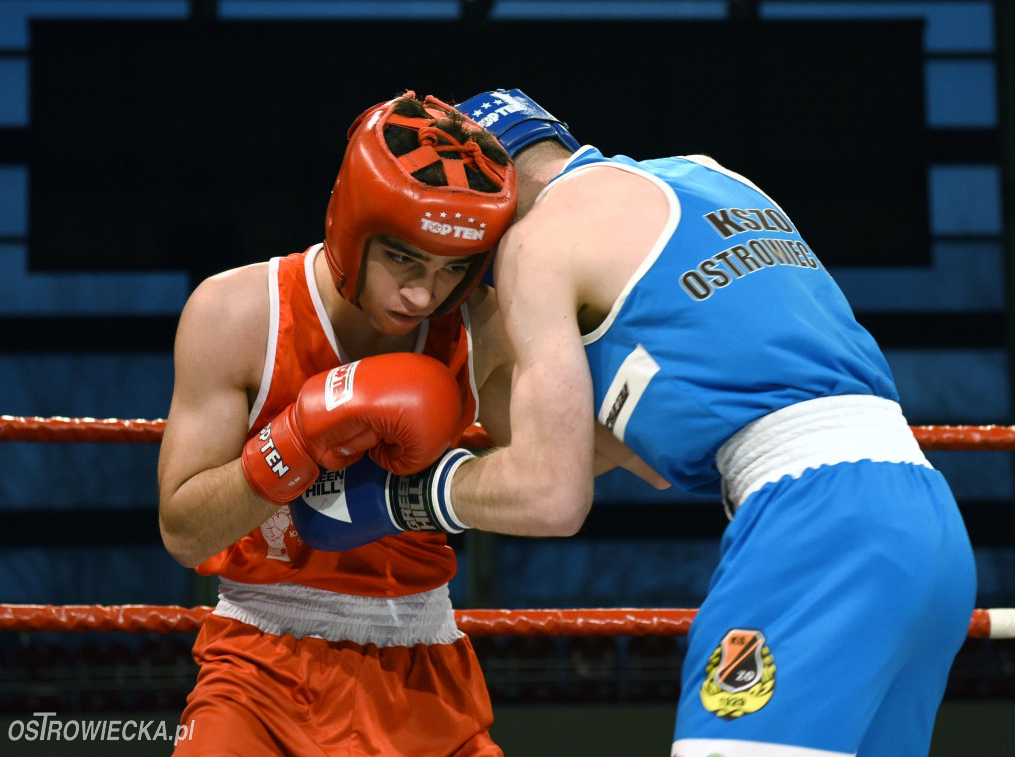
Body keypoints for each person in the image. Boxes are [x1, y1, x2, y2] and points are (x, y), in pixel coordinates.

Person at [315, 89, 977, 757]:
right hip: (928, 522)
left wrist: (399, 497)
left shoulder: (538, 243)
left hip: (815, 527)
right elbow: (631, 450)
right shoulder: (712, 174)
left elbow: (551, 493)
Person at [156, 91, 518, 757]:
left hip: (426, 672)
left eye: (451, 269)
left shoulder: (481, 327)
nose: (423, 294)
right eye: (405, 258)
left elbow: (558, 475)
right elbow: (182, 531)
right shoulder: (239, 315)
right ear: (353, 226)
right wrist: (296, 440)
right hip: (258, 668)